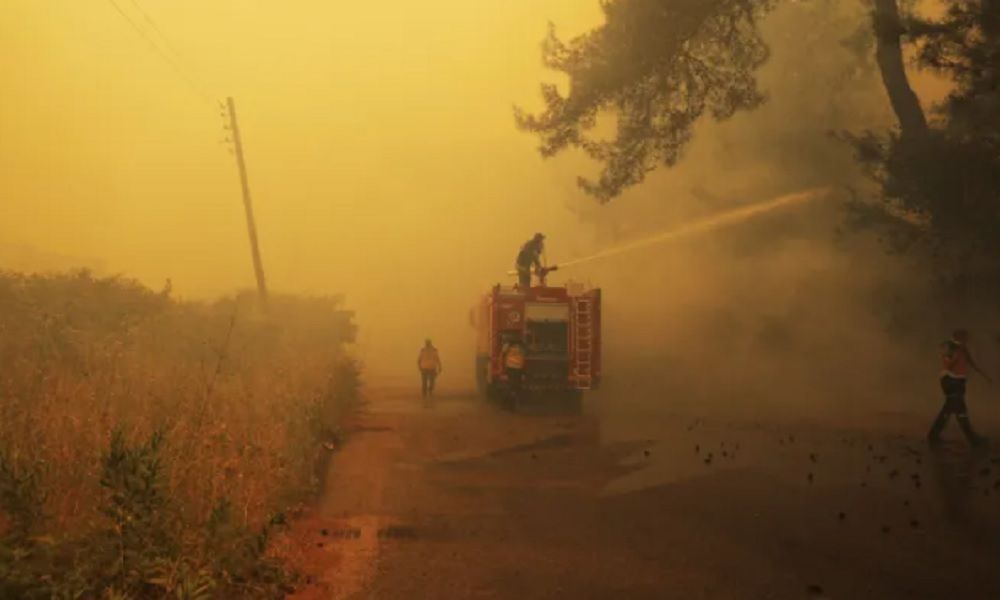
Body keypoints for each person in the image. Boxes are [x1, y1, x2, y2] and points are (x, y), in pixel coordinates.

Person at [928, 329, 990, 448]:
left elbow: (972, 363)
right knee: (958, 411)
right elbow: (948, 364)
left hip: (958, 382)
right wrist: (956, 354)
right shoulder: (952, 348)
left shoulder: (962, 348)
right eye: (965, 337)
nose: (967, 339)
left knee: (953, 410)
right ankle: (973, 439)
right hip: (952, 381)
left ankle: (934, 436)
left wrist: (985, 376)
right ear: (958, 337)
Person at [501, 336, 527, 408]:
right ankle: (512, 402)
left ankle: (507, 403)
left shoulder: (507, 345)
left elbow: (503, 353)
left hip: (510, 368)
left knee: (511, 386)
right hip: (518, 368)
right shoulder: (521, 347)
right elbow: (524, 355)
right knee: (516, 386)